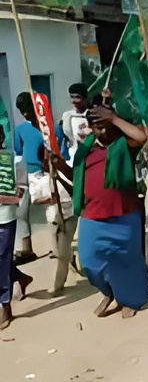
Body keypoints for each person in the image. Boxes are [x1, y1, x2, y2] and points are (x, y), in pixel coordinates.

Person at [61, 105, 148, 319]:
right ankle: (110, 292)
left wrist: (114, 117)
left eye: (104, 125)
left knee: (127, 261)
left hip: (125, 215)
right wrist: (57, 164)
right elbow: (76, 177)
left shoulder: (125, 145)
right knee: (89, 261)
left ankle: (130, 300)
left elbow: (142, 137)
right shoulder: (85, 151)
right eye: (95, 126)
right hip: (92, 216)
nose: (99, 130)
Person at [28, 146, 76, 297]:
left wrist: (59, 174)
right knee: (57, 251)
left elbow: (75, 188)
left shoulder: (65, 173)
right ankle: (71, 258)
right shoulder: (39, 179)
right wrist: (49, 200)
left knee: (62, 255)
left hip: (68, 216)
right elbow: (34, 199)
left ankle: (58, 285)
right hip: (52, 219)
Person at [0, 126, 32, 330]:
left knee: (1, 260)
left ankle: (5, 305)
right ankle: (21, 277)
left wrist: (6, 197)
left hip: (4, 218)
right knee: (2, 261)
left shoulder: (14, 161)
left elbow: (20, 192)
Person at [13, 93, 44, 265]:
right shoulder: (20, 130)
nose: (25, 114)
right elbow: (18, 152)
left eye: (27, 109)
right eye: (22, 111)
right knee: (21, 212)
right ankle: (27, 248)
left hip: (43, 172)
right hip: (24, 172)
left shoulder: (45, 128)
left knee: (53, 209)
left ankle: (61, 247)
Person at [59, 83, 90, 165]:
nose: (74, 101)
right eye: (72, 97)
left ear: (84, 98)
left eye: (77, 97)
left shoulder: (91, 114)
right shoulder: (67, 116)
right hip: (73, 156)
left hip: (90, 155)